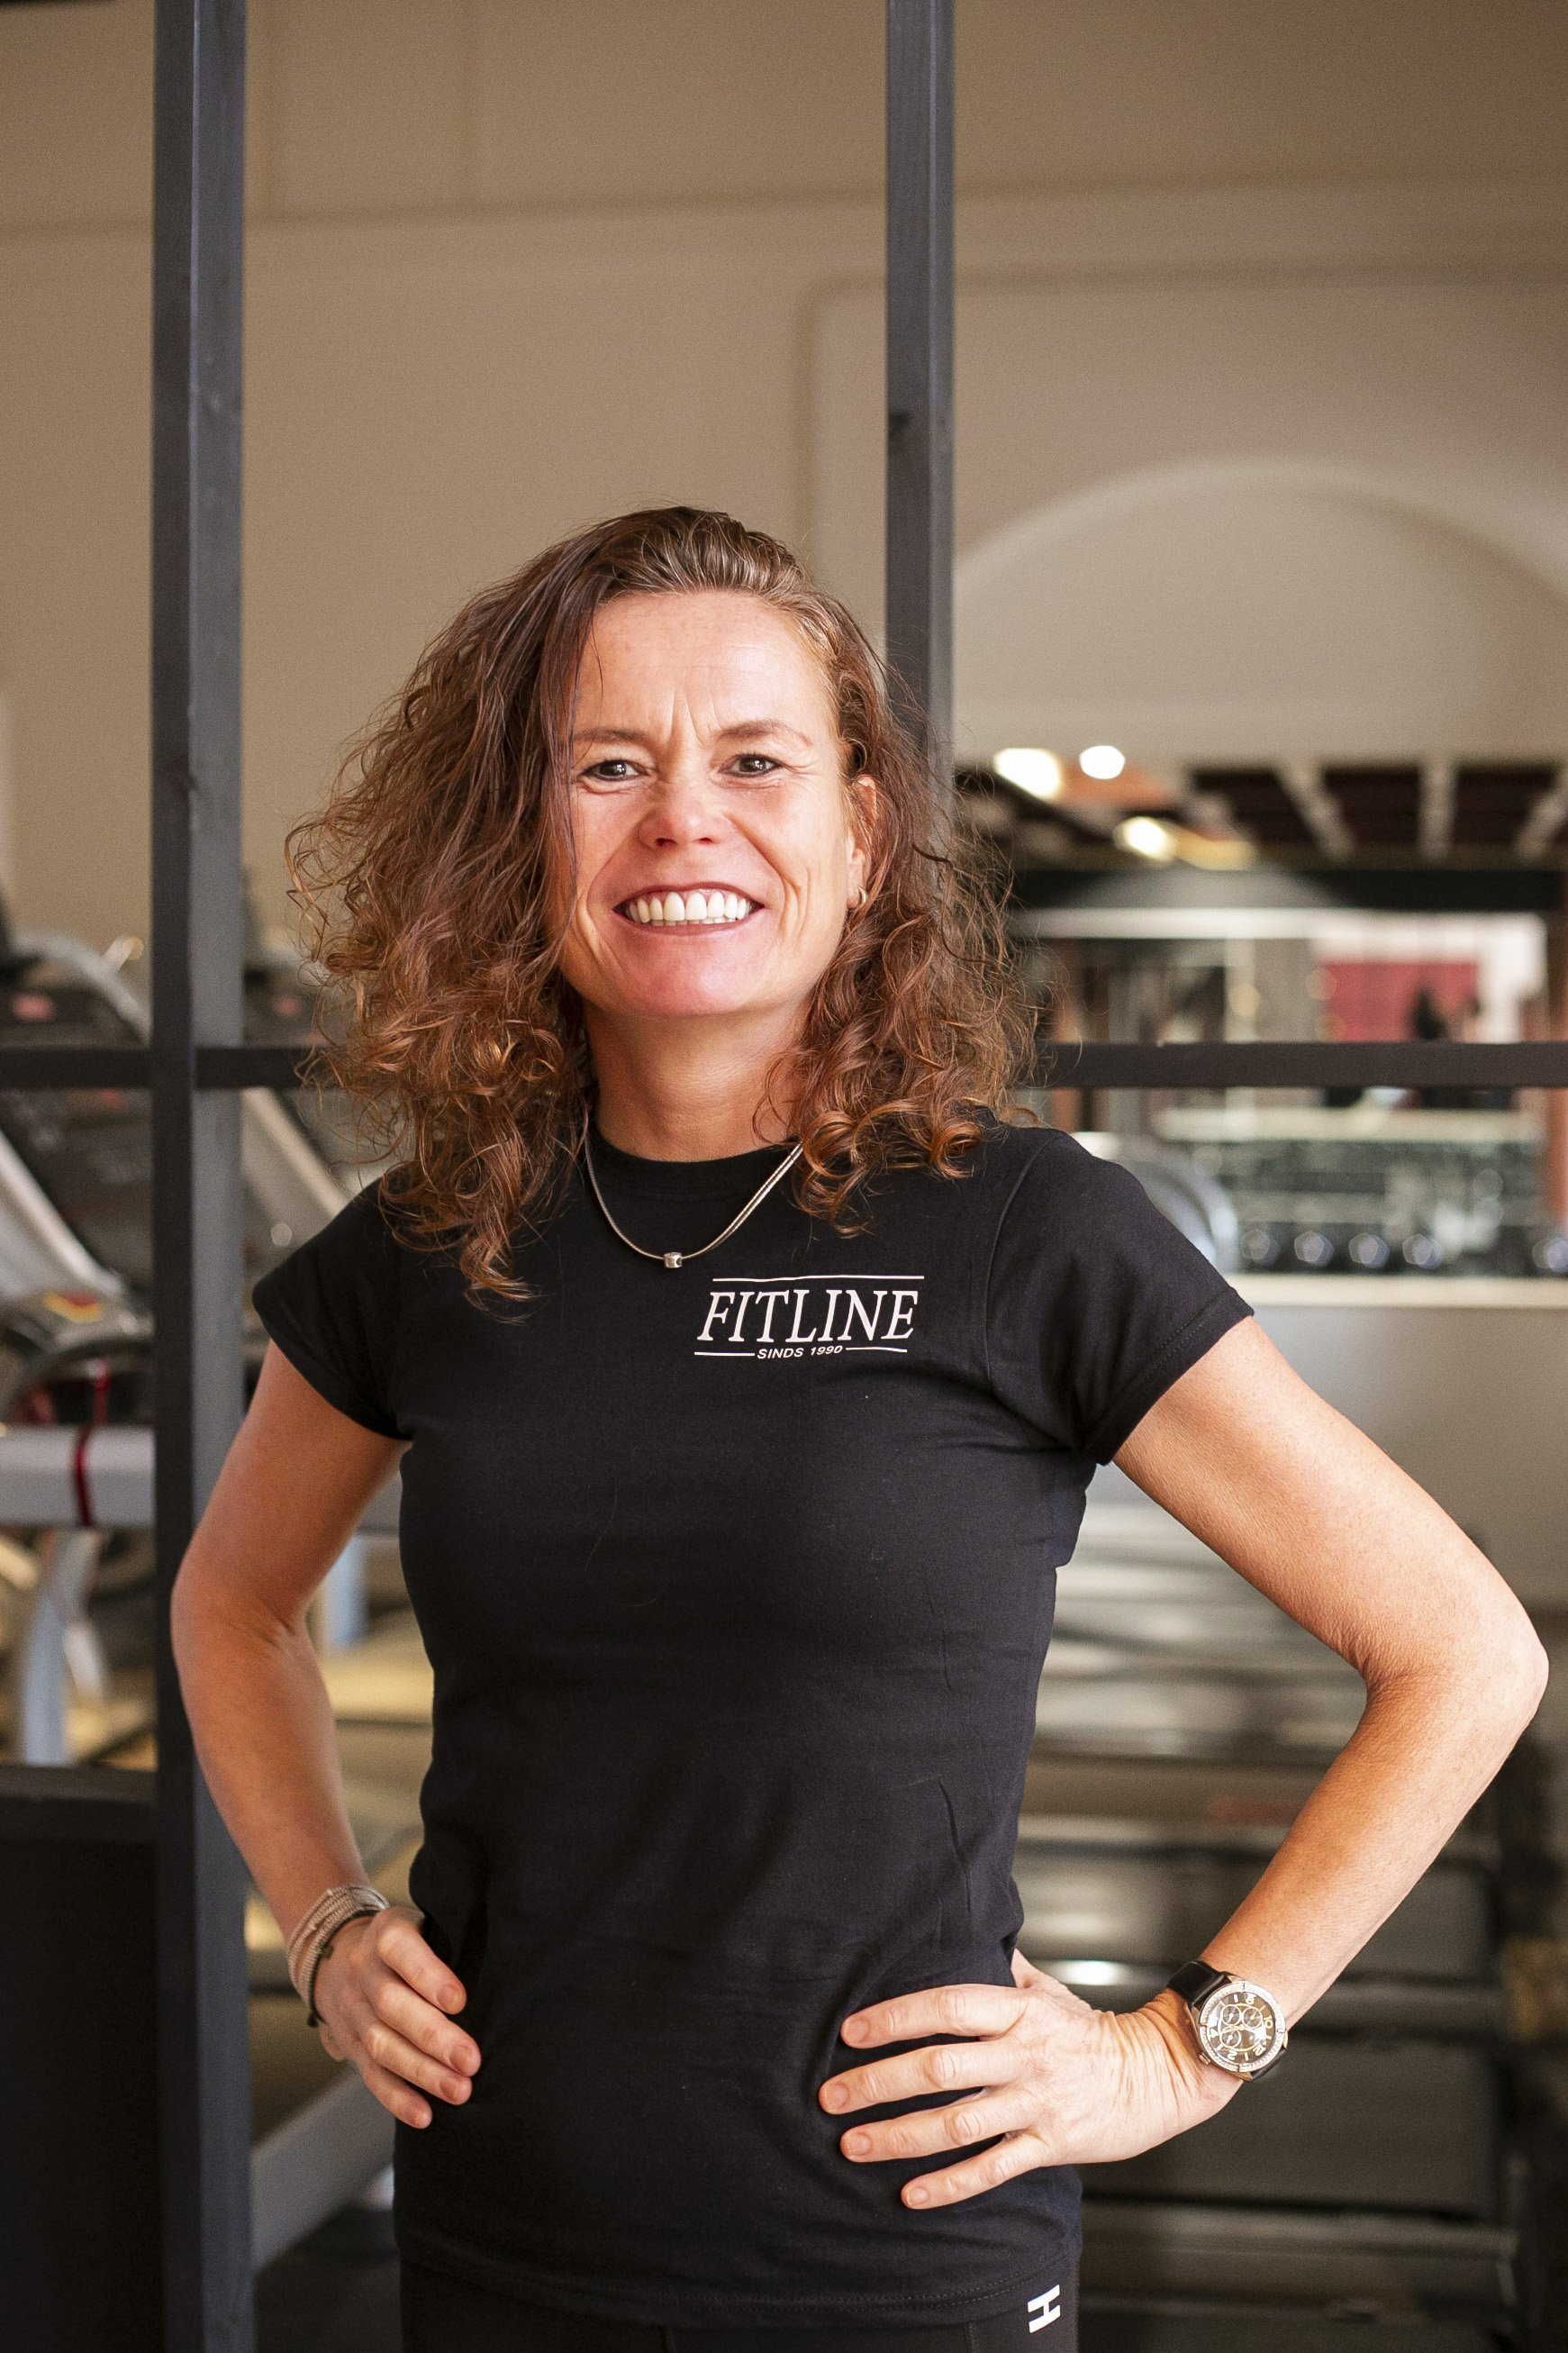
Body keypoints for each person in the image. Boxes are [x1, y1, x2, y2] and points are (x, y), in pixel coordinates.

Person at [170, 507, 1548, 2353]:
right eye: (606, 765)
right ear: (524, 834)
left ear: (860, 829)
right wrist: (329, 1925)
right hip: (505, 2228)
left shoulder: (1028, 1230)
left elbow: (1463, 1653)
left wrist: (1188, 2047)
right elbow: (232, 1605)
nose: (683, 820)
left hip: (903, 2254)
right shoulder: (425, 1249)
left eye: (755, 759)